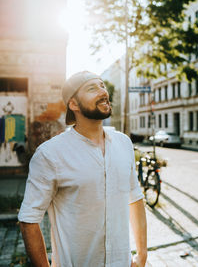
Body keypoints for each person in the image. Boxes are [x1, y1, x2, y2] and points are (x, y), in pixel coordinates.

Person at [18, 71, 147, 267]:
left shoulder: (124, 143)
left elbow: (135, 198)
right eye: (92, 88)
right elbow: (28, 220)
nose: (103, 92)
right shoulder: (50, 154)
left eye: (102, 86)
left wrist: (142, 254)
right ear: (74, 104)